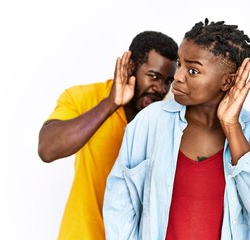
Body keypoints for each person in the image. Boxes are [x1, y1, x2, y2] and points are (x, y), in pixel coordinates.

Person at [103, 18, 250, 240]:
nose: (177, 78)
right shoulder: (150, 121)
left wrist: (232, 127)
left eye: (193, 71)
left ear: (227, 82)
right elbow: (119, 203)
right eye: (180, 64)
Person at [38, 31, 178, 239]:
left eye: (167, 82)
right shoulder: (84, 97)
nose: (160, 88)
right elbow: (47, 150)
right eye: (154, 76)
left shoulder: (165, 120)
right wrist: (111, 103)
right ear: (130, 67)